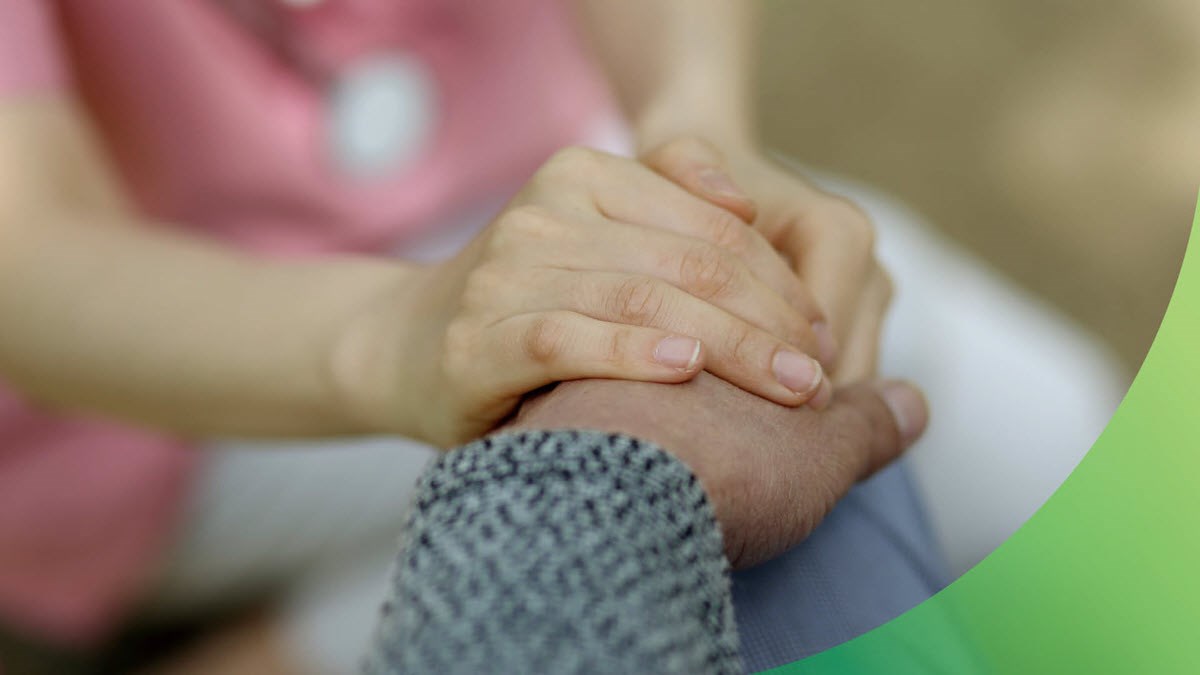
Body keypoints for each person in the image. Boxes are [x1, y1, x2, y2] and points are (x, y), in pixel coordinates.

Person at [0, 1, 900, 670]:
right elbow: (23, 263)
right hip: (159, 378)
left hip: (536, 157)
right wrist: (391, 339)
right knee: (828, 435)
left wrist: (695, 126)